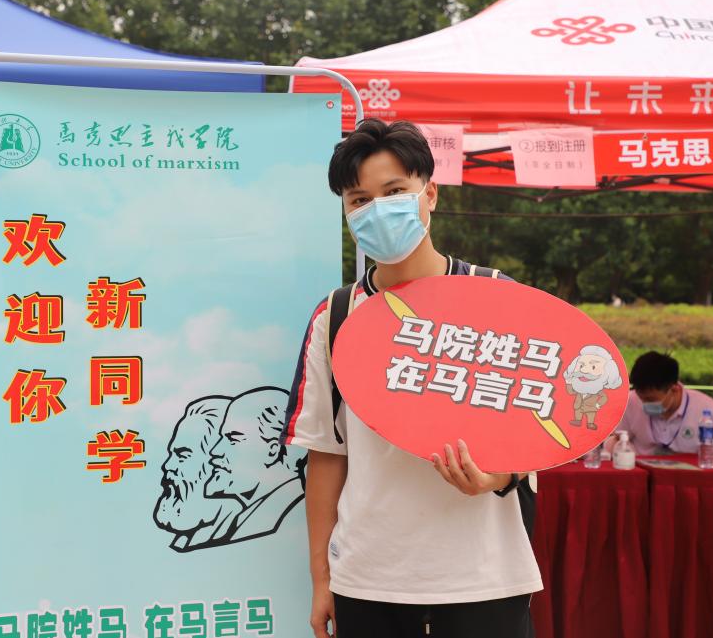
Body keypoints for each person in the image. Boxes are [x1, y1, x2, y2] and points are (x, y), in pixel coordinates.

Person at [281, 119, 541, 638]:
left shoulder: (498, 297)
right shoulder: (336, 316)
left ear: (431, 194)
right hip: (369, 582)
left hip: (483, 577)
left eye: (395, 191)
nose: (378, 209)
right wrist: (322, 578)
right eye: (360, 200)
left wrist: (498, 477)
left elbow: (545, 428)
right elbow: (326, 457)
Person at [206, 387, 306, 544]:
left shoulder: (285, 522)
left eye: (232, 439)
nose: (215, 451)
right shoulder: (242, 519)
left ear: (273, 450)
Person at [153, 395, 242, 551]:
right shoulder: (192, 538)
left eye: (182, 455)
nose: (167, 466)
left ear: (218, 462)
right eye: (171, 454)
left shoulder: (236, 530)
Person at [605, 351, 713, 455]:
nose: (644, 404)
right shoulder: (631, 400)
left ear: (674, 389)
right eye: (641, 398)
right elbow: (616, 438)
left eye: (650, 399)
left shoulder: (706, 407)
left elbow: (710, 452)